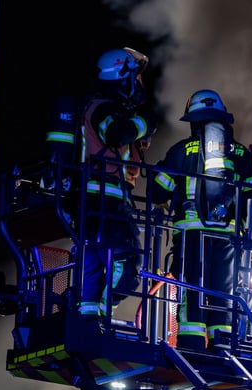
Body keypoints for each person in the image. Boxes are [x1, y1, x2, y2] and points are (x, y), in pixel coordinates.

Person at [151, 89, 252, 351]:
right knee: (225, 292)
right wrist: (250, 234)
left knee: (192, 289)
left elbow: (158, 191)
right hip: (229, 237)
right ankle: (223, 346)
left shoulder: (181, 151)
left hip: (191, 235)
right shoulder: (241, 154)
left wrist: (162, 173)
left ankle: (191, 344)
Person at [78, 47, 156, 323]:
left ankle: (88, 319)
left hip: (94, 200)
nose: (139, 85)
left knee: (93, 268)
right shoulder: (103, 108)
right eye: (135, 78)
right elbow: (117, 133)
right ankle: (101, 313)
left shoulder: (100, 107)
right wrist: (145, 123)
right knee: (128, 261)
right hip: (105, 199)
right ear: (122, 77)